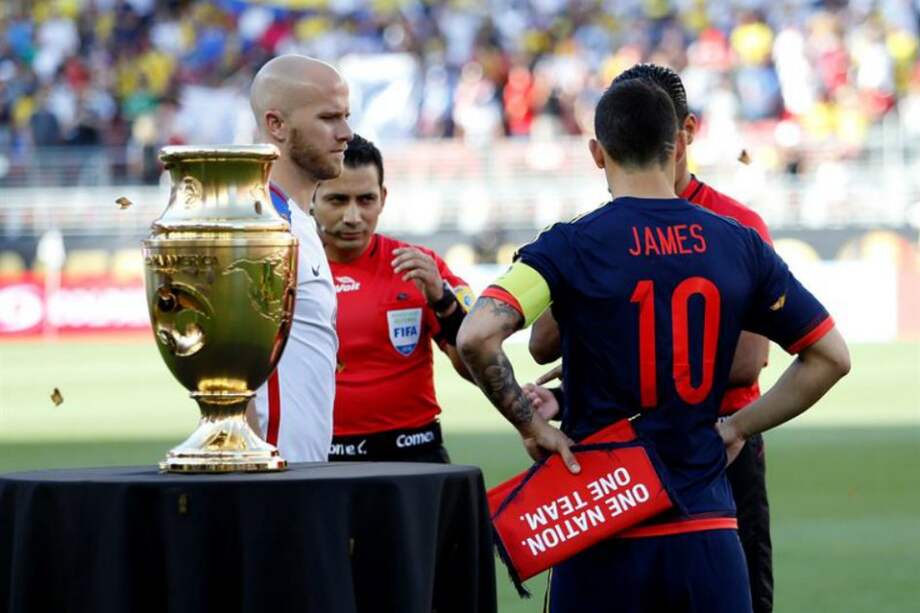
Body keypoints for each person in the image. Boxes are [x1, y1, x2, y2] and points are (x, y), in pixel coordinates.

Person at [457, 78, 850, 612]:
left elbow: (477, 334)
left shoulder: (571, 244)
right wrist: (737, 426)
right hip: (705, 525)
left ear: (597, 153)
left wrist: (532, 424)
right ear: (677, 145)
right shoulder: (738, 241)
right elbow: (830, 357)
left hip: (602, 518)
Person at [526, 63, 778, 613]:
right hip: (617, 456)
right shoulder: (599, 232)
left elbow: (746, 363)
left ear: (684, 132)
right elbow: (542, 344)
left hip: (718, 447)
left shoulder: (736, 226)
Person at [311, 134, 475, 462]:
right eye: (338, 200)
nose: (353, 216)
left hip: (414, 455)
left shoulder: (421, 266)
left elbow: (476, 369)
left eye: (366, 200)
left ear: (383, 198)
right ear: (312, 197)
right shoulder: (291, 270)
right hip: (321, 460)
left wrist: (443, 302)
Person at [246, 54, 353, 462]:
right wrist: (250, 472)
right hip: (272, 478)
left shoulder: (298, 222)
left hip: (302, 475)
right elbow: (230, 379)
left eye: (346, 117)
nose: (346, 133)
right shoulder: (262, 226)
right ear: (276, 125)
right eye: (328, 118)